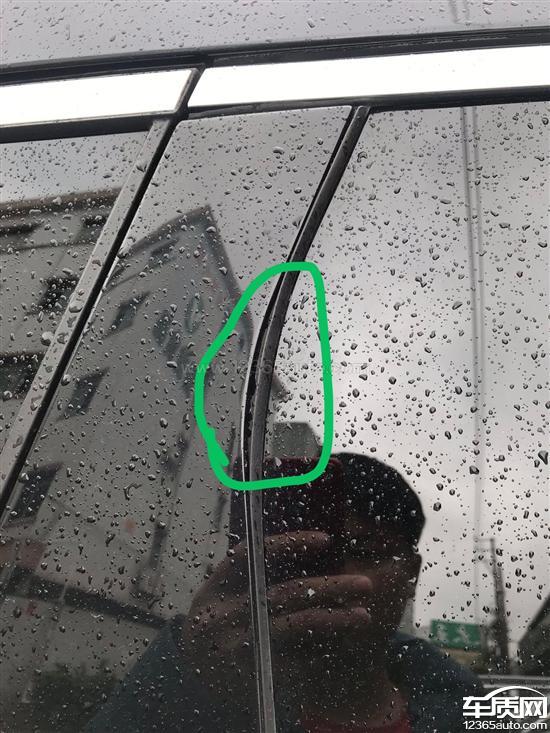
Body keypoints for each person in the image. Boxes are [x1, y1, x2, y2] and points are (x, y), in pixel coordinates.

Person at [87, 453, 484, 732]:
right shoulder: (212, 680)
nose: (335, 577)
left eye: (365, 549)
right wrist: (196, 684)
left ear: (411, 574)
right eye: (311, 553)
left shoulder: (466, 707)